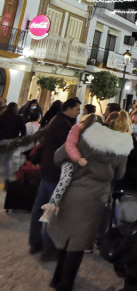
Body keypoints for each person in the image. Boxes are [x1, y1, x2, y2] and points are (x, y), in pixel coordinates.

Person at [48, 113, 132, 291]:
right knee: (78, 244)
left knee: (66, 237)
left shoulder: (85, 138)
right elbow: (119, 174)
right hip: (94, 197)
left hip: (72, 193)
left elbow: (59, 155)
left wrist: (75, 165)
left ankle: (58, 279)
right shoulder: (122, 146)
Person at [29, 98, 81, 261]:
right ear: (69, 109)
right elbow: (68, 148)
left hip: (47, 170)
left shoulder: (56, 121)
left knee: (39, 207)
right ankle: (48, 247)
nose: (79, 112)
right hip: (56, 172)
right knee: (51, 211)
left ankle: (35, 241)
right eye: (77, 109)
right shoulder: (64, 125)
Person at [0, 102, 27, 182]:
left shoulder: (2, 116)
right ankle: (7, 178)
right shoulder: (19, 118)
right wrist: (20, 138)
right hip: (13, 141)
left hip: (2, 140)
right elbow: (23, 131)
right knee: (8, 159)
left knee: (1, 158)